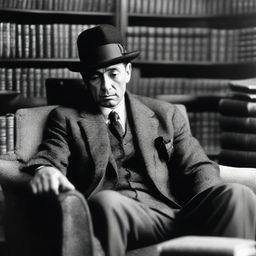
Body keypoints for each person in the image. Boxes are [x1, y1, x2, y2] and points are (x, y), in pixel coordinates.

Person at [22, 24, 256, 256]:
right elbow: (52, 154)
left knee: (238, 195)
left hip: (171, 215)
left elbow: (197, 167)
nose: (106, 87)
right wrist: (45, 169)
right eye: (96, 77)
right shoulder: (66, 118)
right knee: (107, 203)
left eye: (113, 74)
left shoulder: (166, 113)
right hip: (120, 215)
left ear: (128, 72)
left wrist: (208, 207)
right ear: (85, 80)